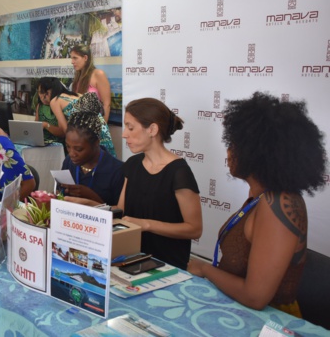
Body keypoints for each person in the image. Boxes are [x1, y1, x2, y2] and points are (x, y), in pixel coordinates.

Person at [188, 92, 326, 316]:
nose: (228, 151)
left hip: (271, 322)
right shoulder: (261, 198)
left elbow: (256, 297)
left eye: (234, 144)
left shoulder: (279, 203)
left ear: (257, 152)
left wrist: (204, 269)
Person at [117, 98, 202, 270]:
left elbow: (194, 229)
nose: (124, 134)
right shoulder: (132, 165)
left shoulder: (179, 172)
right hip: (130, 260)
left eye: (130, 127)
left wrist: (147, 225)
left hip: (167, 266)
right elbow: (121, 211)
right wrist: (89, 207)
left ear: (152, 129)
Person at [59, 111, 123, 206]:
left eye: (79, 149)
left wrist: (91, 196)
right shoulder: (69, 162)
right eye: (68, 147)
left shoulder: (117, 171)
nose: (72, 154)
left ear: (96, 143)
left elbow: (120, 213)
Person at [39, 80, 116, 157]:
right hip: (102, 130)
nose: (41, 97)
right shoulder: (77, 95)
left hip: (87, 135)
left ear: (49, 92)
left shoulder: (55, 101)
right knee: (107, 161)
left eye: (42, 92)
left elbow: (66, 130)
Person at [70, 45, 111, 122]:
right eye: (71, 58)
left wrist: (102, 127)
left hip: (95, 123)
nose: (72, 62)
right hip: (79, 124)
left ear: (85, 58)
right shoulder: (77, 77)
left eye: (75, 58)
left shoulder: (98, 74)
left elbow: (106, 104)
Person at [35, 77, 65, 145]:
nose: (43, 97)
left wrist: (46, 125)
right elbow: (36, 127)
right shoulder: (40, 106)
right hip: (42, 143)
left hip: (57, 145)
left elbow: (63, 133)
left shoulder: (59, 105)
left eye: (46, 93)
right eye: (40, 92)